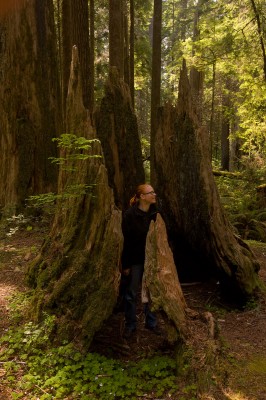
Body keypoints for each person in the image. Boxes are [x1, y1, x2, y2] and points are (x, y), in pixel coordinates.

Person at [121, 183, 161, 339]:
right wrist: (126, 265)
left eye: (154, 192)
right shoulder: (129, 215)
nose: (154, 195)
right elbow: (126, 241)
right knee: (131, 293)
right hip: (135, 261)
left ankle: (151, 323)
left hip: (151, 260)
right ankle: (130, 325)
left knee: (151, 292)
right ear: (142, 197)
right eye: (151, 192)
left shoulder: (156, 213)